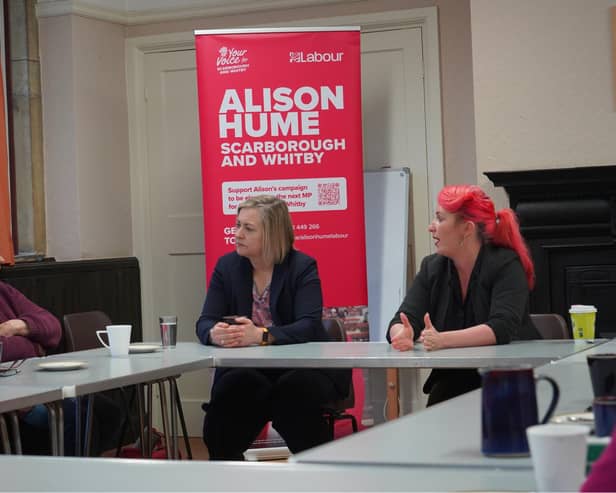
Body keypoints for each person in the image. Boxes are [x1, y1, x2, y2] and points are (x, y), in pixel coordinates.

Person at [196, 195, 350, 460]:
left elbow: (308, 326)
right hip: (250, 368)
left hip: (300, 367)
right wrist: (214, 333)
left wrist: (261, 335)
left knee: (293, 393)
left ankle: (324, 476)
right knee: (234, 389)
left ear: (272, 234)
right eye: (237, 225)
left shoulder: (301, 267)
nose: (237, 234)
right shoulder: (227, 267)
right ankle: (225, 473)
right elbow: (205, 321)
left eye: (248, 228)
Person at [387, 185, 540, 406]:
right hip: (454, 378)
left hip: (508, 375)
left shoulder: (505, 263)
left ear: (467, 229)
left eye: (440, 219)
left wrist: (442, 339)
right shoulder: (432, 267)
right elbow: (403, 318)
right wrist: (401, 334)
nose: (431, 227)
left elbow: (501, 327)